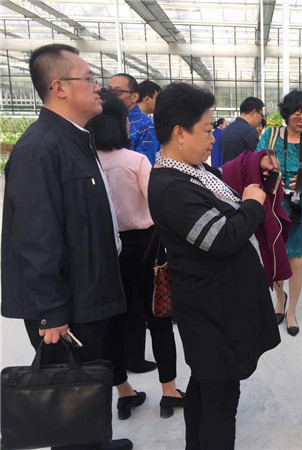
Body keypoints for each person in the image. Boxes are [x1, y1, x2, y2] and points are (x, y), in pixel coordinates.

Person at [1, 43, 132, 450]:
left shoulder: (75, 139)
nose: (98, 88)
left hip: (89, 293)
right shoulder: (39, 149)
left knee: (88, 388)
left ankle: (96, 442)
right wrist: (52, 312)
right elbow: (36, 239)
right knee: (69, 399)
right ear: (58, 87)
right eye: (89, 79)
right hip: (67, 307)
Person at [148, 82, 281, 449]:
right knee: (221, 396)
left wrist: (256, 163)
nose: (212, 139)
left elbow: (226, 175)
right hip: (211, 310)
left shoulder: (192, 172)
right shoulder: (172, 187)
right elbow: (221, 238)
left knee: (206, 384)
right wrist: (252, 206)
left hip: (214, 305)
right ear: (179, 133)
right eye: (207, 130)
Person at [86, 92, 185, 420]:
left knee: (114, 325)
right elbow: (157, 204)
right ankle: (169, 392)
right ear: (120, 124)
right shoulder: (135, 160)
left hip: (106, 251)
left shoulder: (88, 162)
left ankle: (123, 393)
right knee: (159, 319)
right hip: (146, 247)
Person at [257, 90, 302, 337]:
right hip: (275, 203)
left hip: (301, 205)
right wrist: (268, 172)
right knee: (277, 256)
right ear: (287, 114)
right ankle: (280, 299)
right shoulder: (271, 135)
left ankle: (292, 311)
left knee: (296, 260)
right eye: (298, 114)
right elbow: (256, 161)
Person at [109, 73, 161, 373]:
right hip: (137, 232)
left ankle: (121, 361)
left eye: (119, 90)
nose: (114, 94)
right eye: (111, 90)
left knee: (123, 299)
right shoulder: (135, 151)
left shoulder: (143, 127)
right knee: (138, 299)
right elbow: (150, 189)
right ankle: (132, 357)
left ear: (134, 95)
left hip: (114, 233)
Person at [109, 73, 160, 166]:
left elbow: (146, 163)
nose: (112, 96)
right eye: (110, 91)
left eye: (118, 91)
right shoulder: (104, 119)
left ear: (134, 97)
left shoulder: (147, 125)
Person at [220, 96, 264, 164]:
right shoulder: (249, 132)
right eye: (261, 116)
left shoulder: (226, 130)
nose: (260, 120)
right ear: (253, 113)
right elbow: (256, 161)